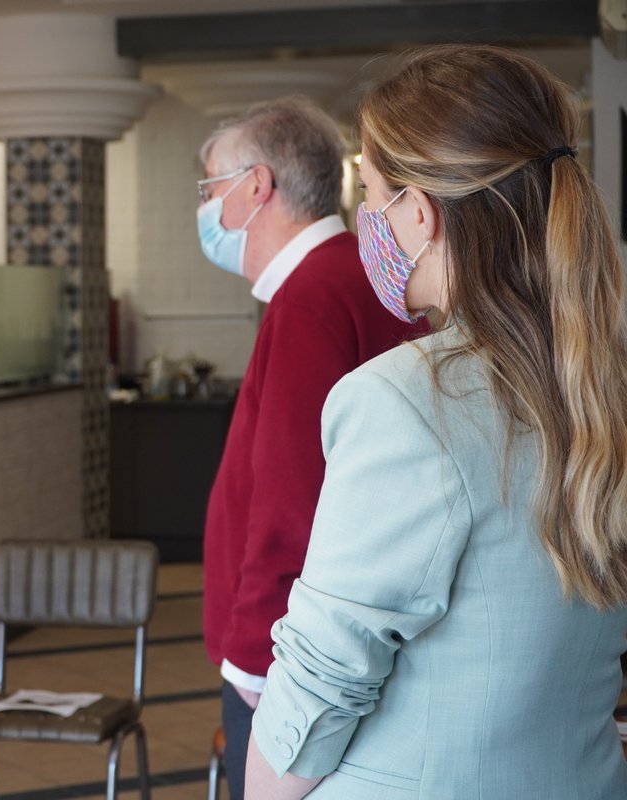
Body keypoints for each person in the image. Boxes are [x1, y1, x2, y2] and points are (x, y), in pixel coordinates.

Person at [245, 44, 627, 799]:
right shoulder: (603, 382)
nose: (363, 218)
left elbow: (322, 680)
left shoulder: (403, 401)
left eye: (372, 190)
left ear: (418, 214)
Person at [196, 97, 427, 798]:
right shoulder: (356, 274)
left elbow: (292, 498)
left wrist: (253, 664)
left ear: (256, 187)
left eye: (210, 190)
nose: (206, 210)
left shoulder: (310, 296)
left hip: (289, 656)